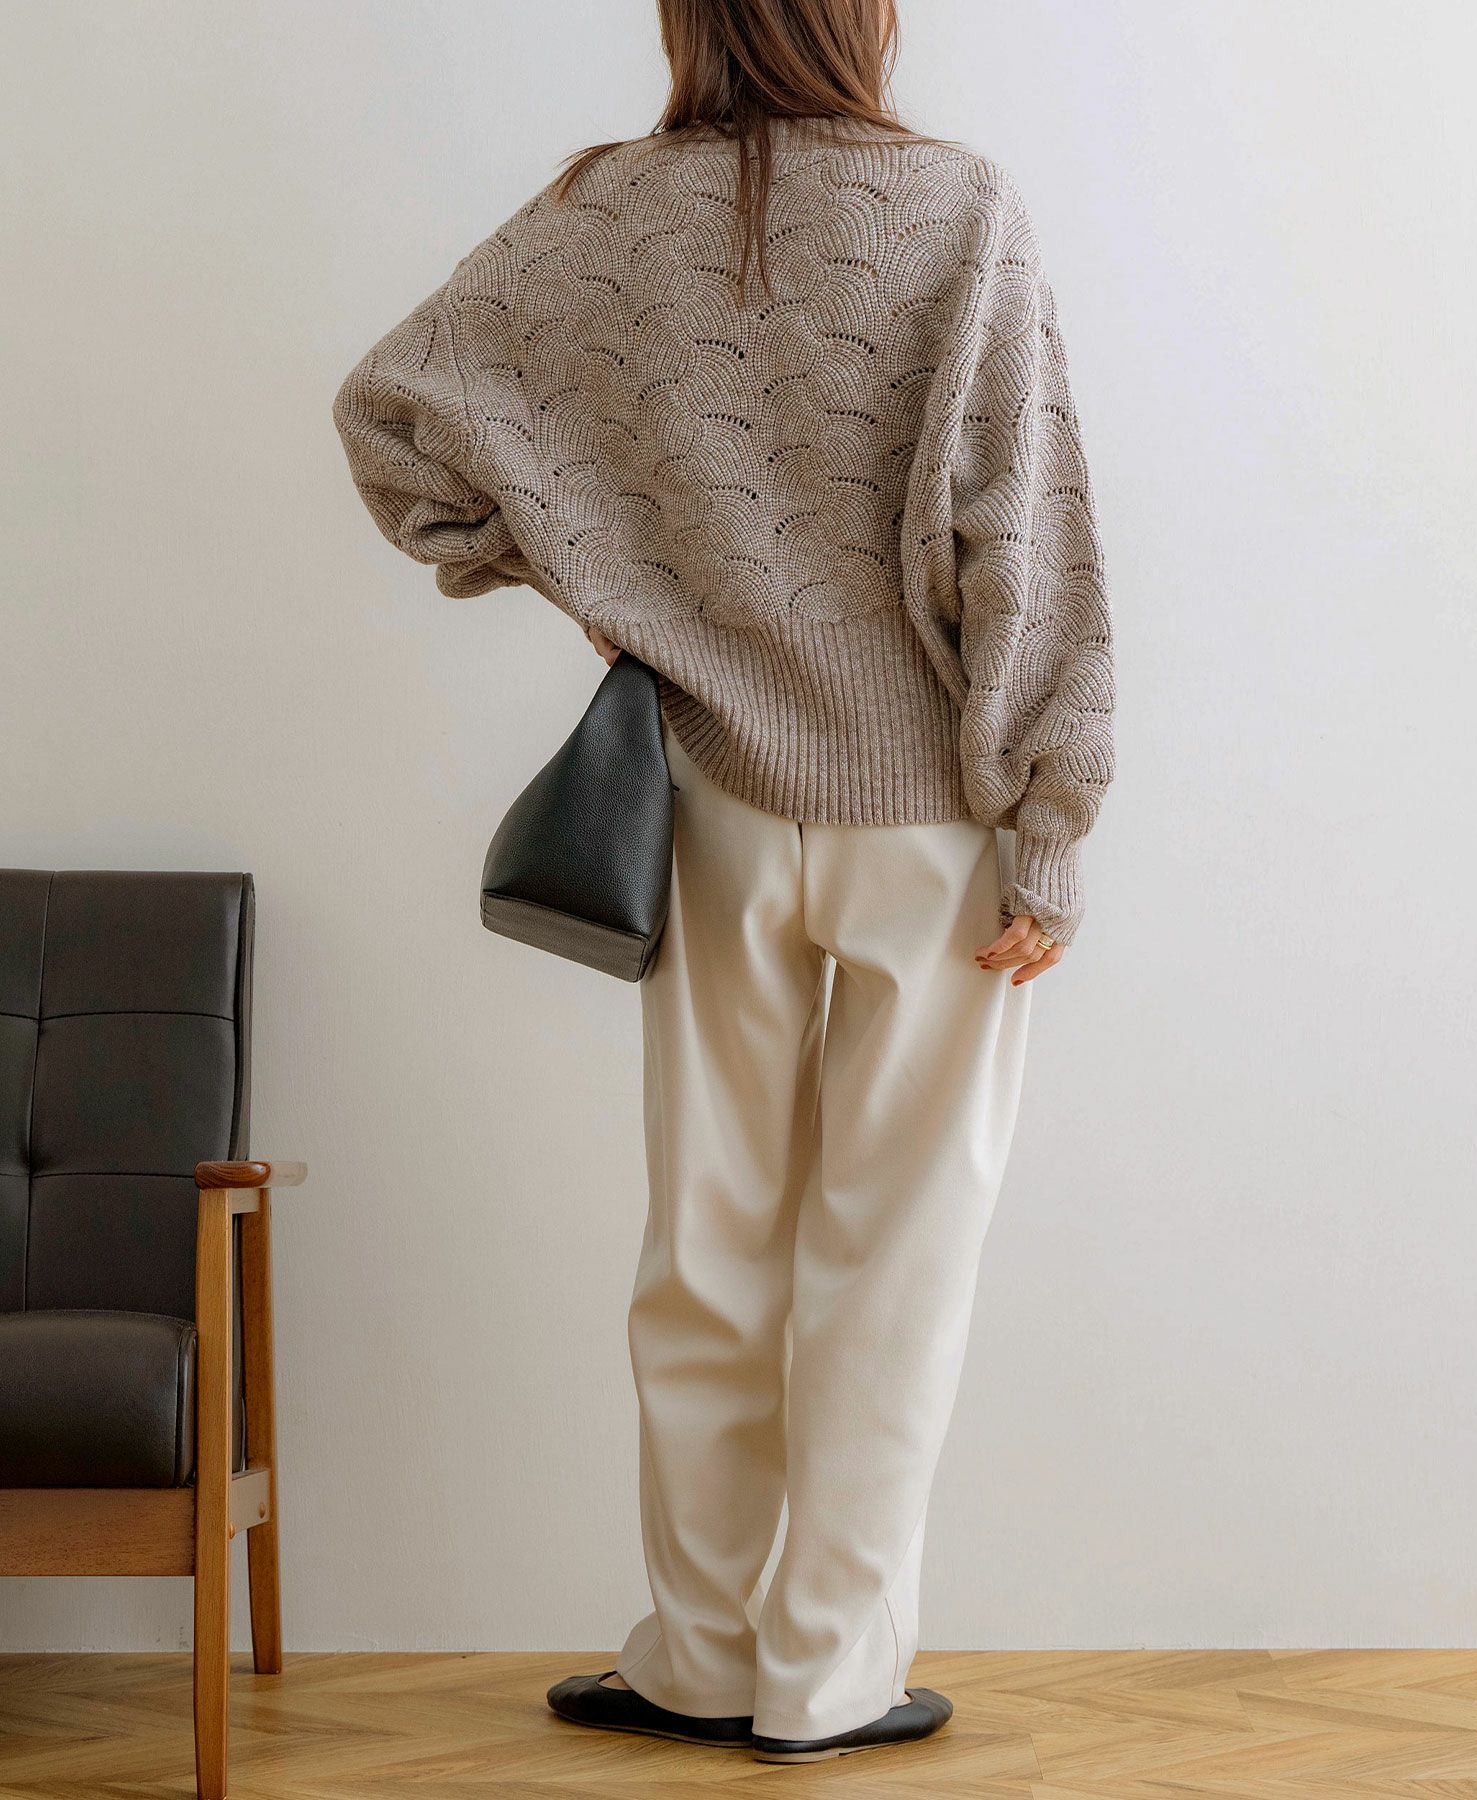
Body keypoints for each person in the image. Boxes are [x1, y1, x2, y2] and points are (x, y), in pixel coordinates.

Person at [332, 0, 1115, 1765]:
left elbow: (395, 420)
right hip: (937, 831)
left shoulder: (607, 208)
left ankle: (696, 1658)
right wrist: (1052, 827)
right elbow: (1025, 526)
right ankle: (829, 1678)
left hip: (709, 809)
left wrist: (604, 586)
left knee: (707, 1247)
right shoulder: (959, 208)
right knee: (896, 1259)